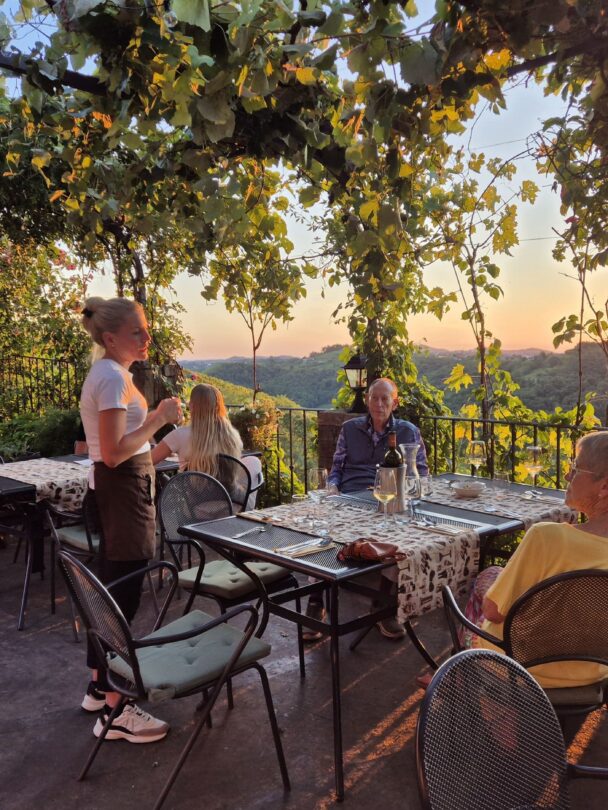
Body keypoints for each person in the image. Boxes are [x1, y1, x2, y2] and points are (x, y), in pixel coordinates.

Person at [79, 296, 182, 743]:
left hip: (122, 490)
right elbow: (117, 451)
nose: (147, 337)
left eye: (146, 328)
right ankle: (119, 711)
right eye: (137, 331)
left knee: (112, 588)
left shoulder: (112, 375)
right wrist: (159, 418)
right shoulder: (110, 377)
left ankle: (100, 687)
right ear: (110, 338)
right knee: (124, 596)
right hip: (124, 491)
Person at [466, 431, 608, 689]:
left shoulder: (548, 537)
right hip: (594, 671)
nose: (567, 476)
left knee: (484, 589)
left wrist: (489, 589)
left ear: (604, 486)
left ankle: (476, 689)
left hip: (523, 667)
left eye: (575, 469)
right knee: (495, 576)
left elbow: (493, 611)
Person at [304, 378, 430, 642]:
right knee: (322, 532)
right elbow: (336, 468)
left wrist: (407, 493)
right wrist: (333, 488)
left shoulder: (408, 432)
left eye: (385, 399)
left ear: (395, 402)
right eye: (374, 398)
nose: (379, 403)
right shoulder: (349, 429)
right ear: (368, 400)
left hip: (389, 499)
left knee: (399, 541)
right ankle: (316, 600)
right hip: (350, 497)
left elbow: (422, 473)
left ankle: (382, 606)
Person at [151, 383, 262, 509]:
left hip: (197, 512)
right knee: (253, 462)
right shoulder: (232, 435)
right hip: (232, 507)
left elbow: (147, 461)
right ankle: (248, 511)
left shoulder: (181, 434)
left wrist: (153, 421)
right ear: (219, 406)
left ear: (191, 406)